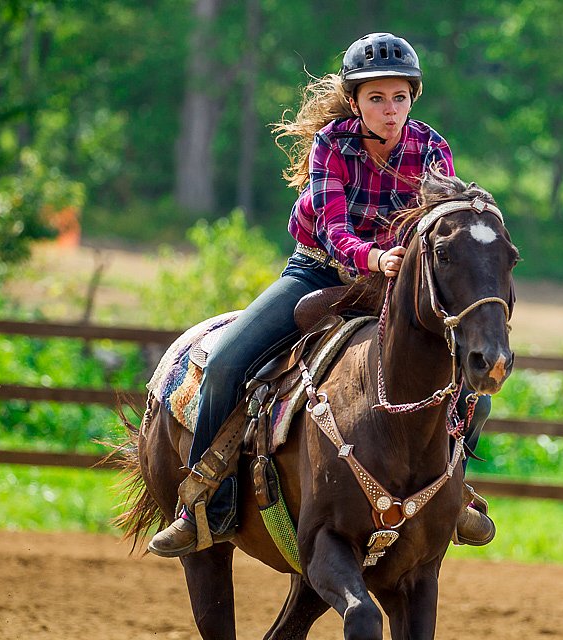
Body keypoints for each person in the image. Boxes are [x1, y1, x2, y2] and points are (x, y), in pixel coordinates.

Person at [149, 32, 495, 557]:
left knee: (475, 382)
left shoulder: (432, 148)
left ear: (412, 98)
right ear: (354, 101)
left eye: (399, 97)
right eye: (376, 98)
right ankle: (203, 502)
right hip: (319, 272)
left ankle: (453, 493)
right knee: (223, 364)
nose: (389, 110)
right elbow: (333, 229)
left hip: (394, 289)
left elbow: (438, 229)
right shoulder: (332, 143)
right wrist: (374, 258)